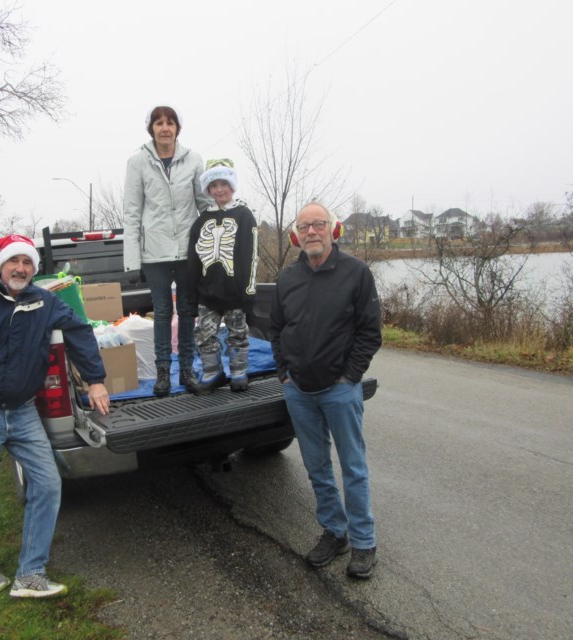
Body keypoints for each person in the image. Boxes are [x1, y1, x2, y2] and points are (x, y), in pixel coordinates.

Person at [0, 234, 110, 598]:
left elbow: (79, 328)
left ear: (34, 268)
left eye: (27, 263)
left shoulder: (44, 302)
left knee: (48, 484)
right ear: (0, 266)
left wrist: (95, 381)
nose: (21, 268)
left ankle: (30, 573)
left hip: (22, 411)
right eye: (14, 261)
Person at [269, 203, 383, 579]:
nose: (311, 231)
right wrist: (284, 374)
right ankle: (336, 532)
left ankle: (364, 543)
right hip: (298, 391)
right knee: (317, 467)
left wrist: (349, 376)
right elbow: (276, 330)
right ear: (296, 235)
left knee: (353, 469)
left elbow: (370, 332)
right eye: (304, 227)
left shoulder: (355, 273)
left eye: (318, 224)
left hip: (339, 390)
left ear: (332, 229)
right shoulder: (287, 278)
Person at [124, 105, 210, 397]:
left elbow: (204, 205)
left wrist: (212, 248)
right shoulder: (138, 163)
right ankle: (163, 373)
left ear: (177, 128)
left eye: (170, 123)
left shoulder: (194, 160)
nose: (164, 128)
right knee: (162, 312)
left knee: (187, 311)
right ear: (151, 128)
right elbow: (132, 212)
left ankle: (187, 369)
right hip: (155, 252)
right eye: (159, 123)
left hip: (188, 250)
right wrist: (132, 260)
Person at [186, 159, 259, 393]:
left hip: (235, 292)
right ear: (208, 189)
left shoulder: (244, 215)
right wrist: (192, 295)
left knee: (238, 333)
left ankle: (239, 372)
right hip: (208, 294)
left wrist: (249, 291)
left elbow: (252, 255)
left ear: (232, 185)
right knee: (204, 334)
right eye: (214, 185)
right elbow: (193, 260)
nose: (219, 190)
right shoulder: (201, 221)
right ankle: (213, 372)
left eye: (224, 184)